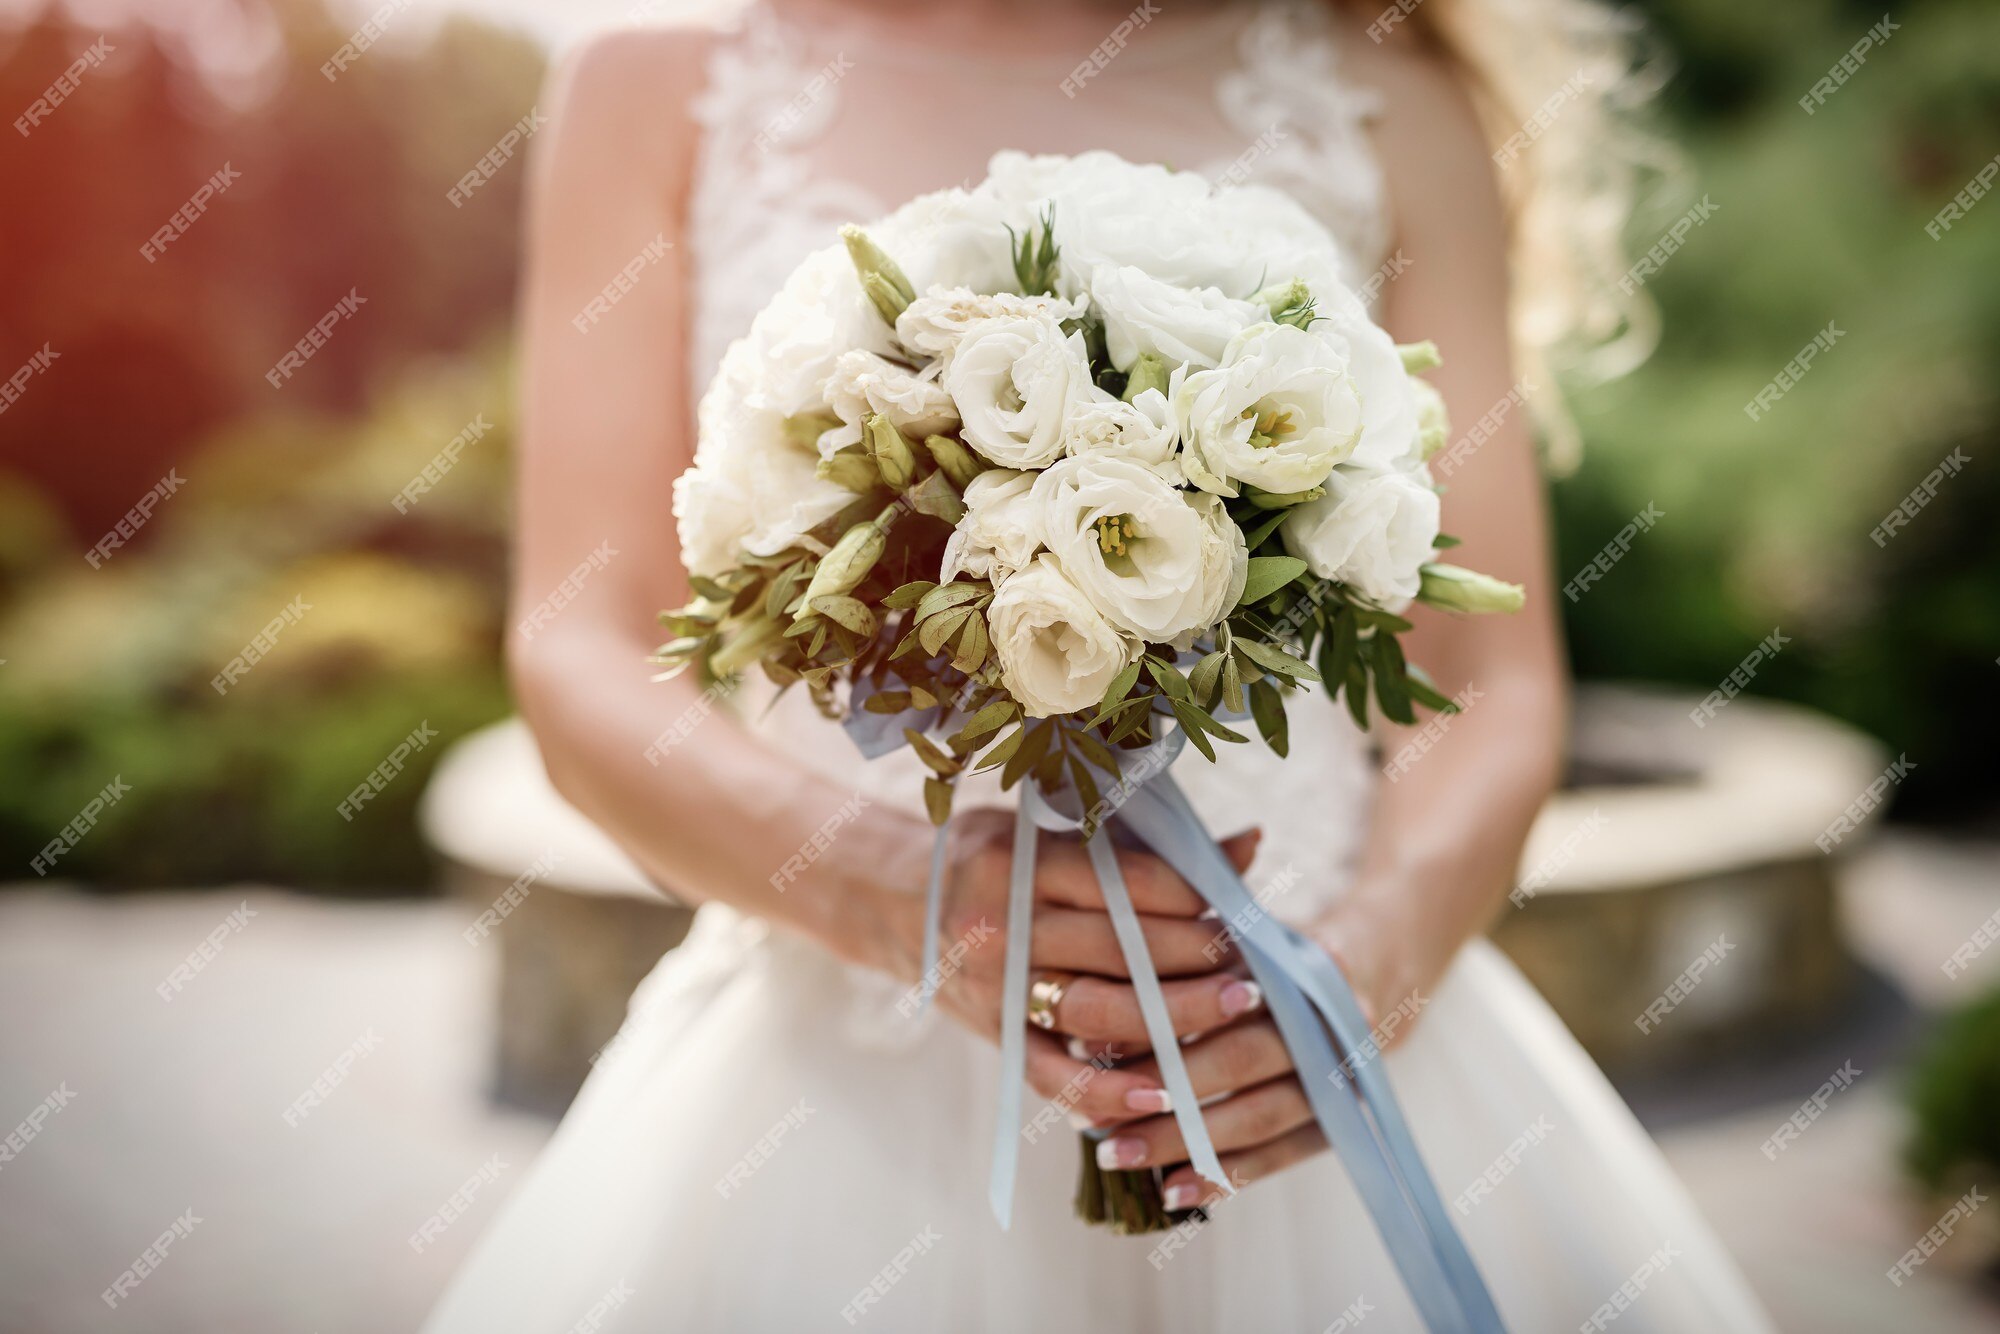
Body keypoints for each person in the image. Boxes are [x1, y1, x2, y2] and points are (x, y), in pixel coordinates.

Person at [425, 1, 1774, 1328]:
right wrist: (897, 893)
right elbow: (582, 642)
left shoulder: (1383, 89)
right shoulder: (656, 87)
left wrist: (1368, 972)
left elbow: (1489, 677)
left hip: (1294, 1032)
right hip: (835, 1067)